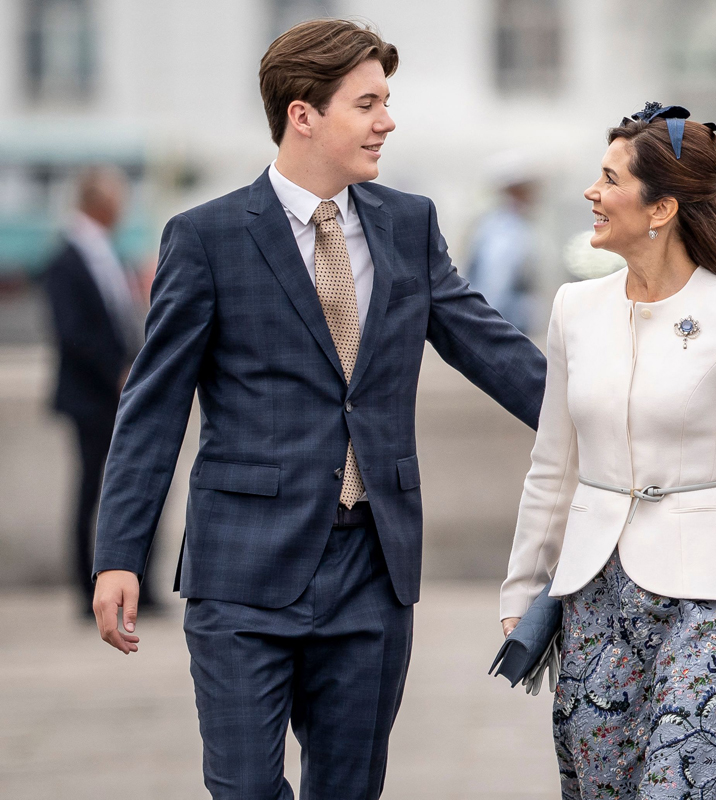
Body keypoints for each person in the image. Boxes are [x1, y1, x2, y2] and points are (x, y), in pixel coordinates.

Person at [89, 20, 546, 799]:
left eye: (387, 102)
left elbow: (493, 349)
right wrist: (117, 553)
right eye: (367, 103)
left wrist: (611, 415)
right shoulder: (207, 238)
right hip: (242, 576)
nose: (387, 121)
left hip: (372, 568)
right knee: (244, 790)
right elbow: (153, 406)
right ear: (304, 114)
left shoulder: (409, 224)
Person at [499, 103, 716, 799]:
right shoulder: (572, 309)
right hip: (592, 596)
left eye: (609, 179)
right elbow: (552, 464)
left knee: (681, 787)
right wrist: (522, 587)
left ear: (661, 209)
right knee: (604, 787)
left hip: (714, 597)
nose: (592, 193)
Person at [44, 166, 157, 617]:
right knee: (92, 491)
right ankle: (83, 587)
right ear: (99, 202)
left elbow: (120, 320)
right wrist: (116, 371)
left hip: (120, 391)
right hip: (91, 396)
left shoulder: (108, 252)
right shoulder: (67, 258)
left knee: (133, 487)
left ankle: (136, 588)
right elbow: (72, 332)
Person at [466, 153, 541, 333]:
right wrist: (488, 325)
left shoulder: (514, 224)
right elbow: (495, 280)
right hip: (503, 323)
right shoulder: (504, 228)